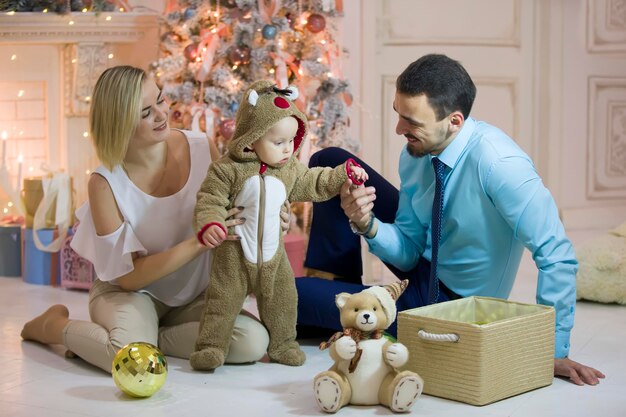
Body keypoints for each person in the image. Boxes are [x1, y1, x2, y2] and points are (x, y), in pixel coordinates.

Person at [296, 54, 605, 386]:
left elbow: (556, 254)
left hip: (449, 303)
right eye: (398, 115)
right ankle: (345, 306)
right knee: (331, 161)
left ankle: (340, 313)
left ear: (454, 121)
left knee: (285, 294)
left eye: (411, 122)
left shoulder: (502, 165)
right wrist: (366, 222)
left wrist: (552, 350)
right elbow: (410, 251)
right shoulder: (416, 153)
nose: (399, 129)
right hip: (423, 265)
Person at [20, 65, 273, 373]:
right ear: (120, 122)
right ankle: (54, 326)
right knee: (135, 366)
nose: (161, 115)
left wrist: (272, 217)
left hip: (193, 296)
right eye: (144, 113)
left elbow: (235, 211)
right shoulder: (104, 183)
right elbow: (127, 277)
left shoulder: (201, 146)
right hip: (130, 293)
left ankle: (146, 340)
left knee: (252, 341)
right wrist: (197, 244)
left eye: (161, 101)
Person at [191, 80, 367, 371]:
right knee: (221, 303)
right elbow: (210, 198)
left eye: (291, 141)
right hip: (233, 256)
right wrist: (211, 223)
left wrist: (343, 173)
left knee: (284, 300)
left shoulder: (289, 171)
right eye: (278, 142)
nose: (288, 149)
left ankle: (283, 344)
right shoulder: (227, 169)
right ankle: (211, 346)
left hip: (274, 257)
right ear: (252, 137)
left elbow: (316, 181)